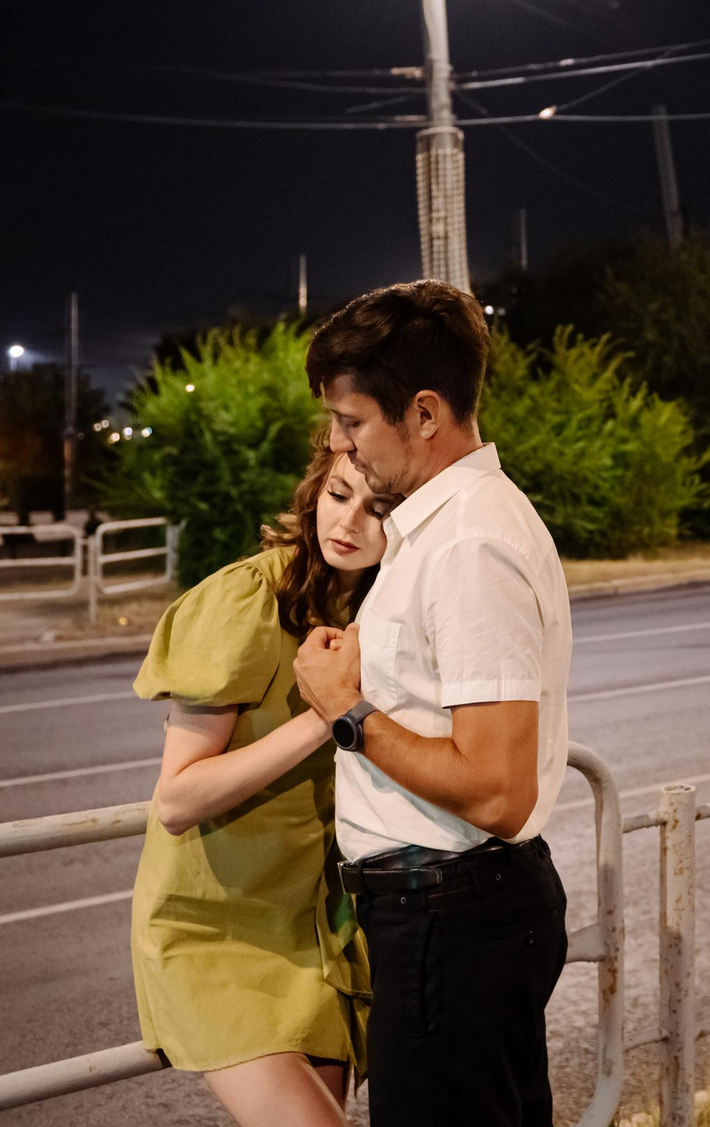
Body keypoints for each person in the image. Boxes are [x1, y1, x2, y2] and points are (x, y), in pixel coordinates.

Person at [291, 280, 574, 1127]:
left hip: (450, 918)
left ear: (423, 412)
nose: (338, 443)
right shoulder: (445, 525)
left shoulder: (468, 543)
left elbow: (498, 788)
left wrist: (346, 712)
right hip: (454, 913)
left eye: (351, 420)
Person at [128, 444, 395, 1126]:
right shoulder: (247, 598)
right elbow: (177, 799)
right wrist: (328, 714)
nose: (349, 522)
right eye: (338, 495)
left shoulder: (382, 607)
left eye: (377, 509)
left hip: (317, 927)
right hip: (215, 926)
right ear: (313, 492)